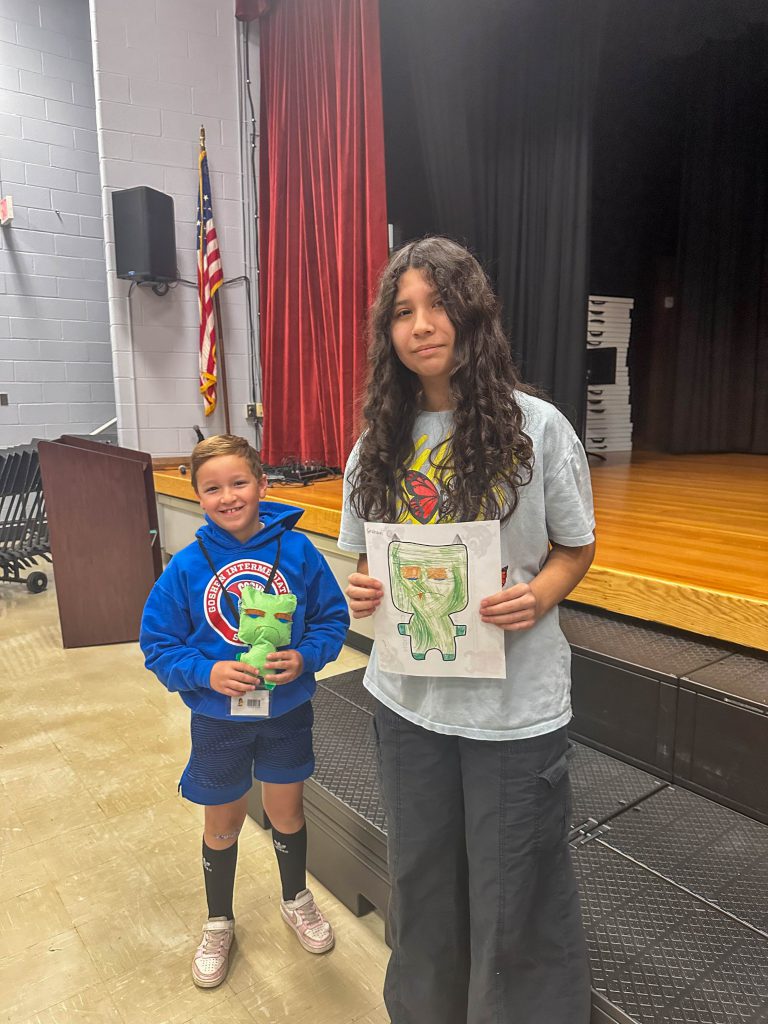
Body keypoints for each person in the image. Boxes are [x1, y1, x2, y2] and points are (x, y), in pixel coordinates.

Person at [339, 237, 595, 1024]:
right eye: (403, 312)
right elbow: (359, 564)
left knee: (512, 892)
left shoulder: (538, 427)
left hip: (512, 713)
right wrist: (362, 593)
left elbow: (576, 548)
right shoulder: (376, 444)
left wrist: (542, 594)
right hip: (408, 704)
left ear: (472, 311)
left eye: (438, 303)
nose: (421, 325)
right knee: (420, 880)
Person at [140, 434, 349, 988]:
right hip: (217, 721)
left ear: (261, 483)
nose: (228, 496)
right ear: (198, 496)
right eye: (213, 488)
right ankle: (218, 920)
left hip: (286, 714)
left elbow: (332, 621)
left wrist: (305, 658)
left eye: (238, 482)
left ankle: (295, 898)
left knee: (287, 814)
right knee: (223, 825)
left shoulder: (299, 552)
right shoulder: (187, 568)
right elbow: (158, 647)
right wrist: (206, 672)